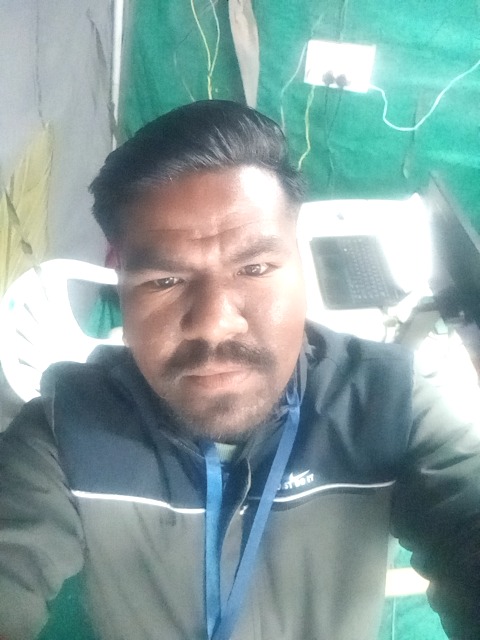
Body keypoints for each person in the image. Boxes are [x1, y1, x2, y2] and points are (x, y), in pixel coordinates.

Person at [0, 100, 479, 640]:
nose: (213, 323)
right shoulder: (65, 436)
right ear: (121, 288)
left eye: (254, 267)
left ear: (301, 267)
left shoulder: (393, 405)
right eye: (164, 281)